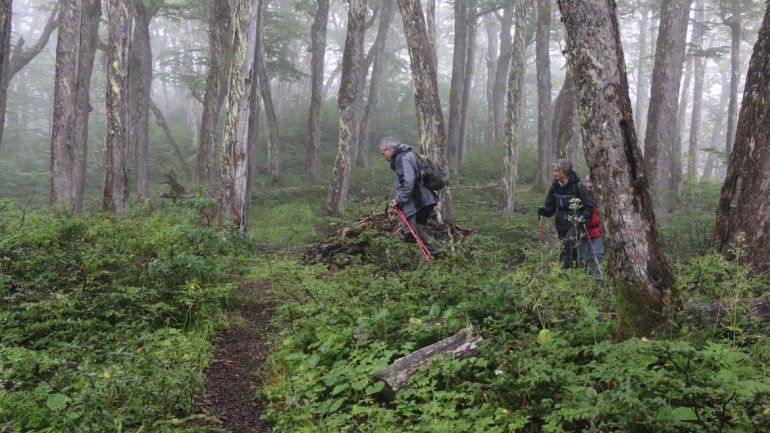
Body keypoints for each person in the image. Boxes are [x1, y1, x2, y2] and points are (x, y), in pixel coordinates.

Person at [379, 137, 442, 256]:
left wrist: (398, 200)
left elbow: (408, 182)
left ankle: (435, 255)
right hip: (425, 200)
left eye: (383, 154)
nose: (384, 157)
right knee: (417, 232)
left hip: (417, 203)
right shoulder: (408, 154)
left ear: (389, 150)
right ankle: (439, 254)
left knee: (411, 234)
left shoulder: (401, 158)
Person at [537, 159, 595, 268]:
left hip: (576, 223)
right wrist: (543, 211)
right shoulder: (555, 187)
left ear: (564, 172)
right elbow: (551, 209)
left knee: (568, 243)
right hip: (561, 224)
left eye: (556, 171)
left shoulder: (577, 186)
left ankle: (567, 271)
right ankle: (570, 273)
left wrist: (582, 218)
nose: (554, 173)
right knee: (566, 248)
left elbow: (589, 207)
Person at [577, 175, 604, 276]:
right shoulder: (579, 197)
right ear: (585, 185)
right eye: (589, 186)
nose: (591, 188)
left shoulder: (600, 198)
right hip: (582, 232)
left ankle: (599, 283)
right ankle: (583, 282)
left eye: (592, 186)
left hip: (596, 232)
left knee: (598, 257)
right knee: (582, 259)